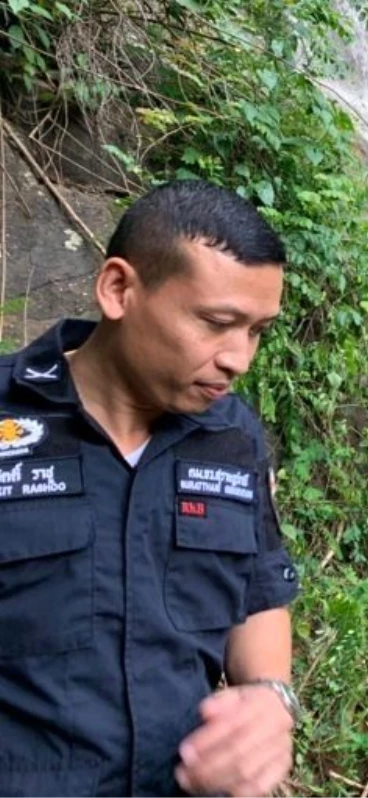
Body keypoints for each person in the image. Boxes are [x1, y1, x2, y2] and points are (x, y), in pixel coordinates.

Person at [0, 180, 300, 797]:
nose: (238, 358)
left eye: (258, 330)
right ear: (119, 289)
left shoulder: (231, 434)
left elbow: (259, 586)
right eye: (217, 323)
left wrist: (271, 697)